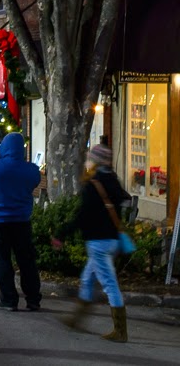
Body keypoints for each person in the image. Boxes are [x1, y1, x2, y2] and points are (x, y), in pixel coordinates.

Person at [54, 144, 131, 342]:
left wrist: (62, 234)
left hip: (98, 243)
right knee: (88, 278)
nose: (88, 162)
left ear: (95, 162)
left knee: (109, 284)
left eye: (90, 158)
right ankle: (77, 319)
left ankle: (120, 331)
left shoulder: (93, 184)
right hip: (112, 240)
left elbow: (82, 215)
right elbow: (124, 201)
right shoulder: (113, 181)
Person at [0, 132, 42, 312]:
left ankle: (9, 299)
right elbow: (35, 180)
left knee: (1, 259)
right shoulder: (31, 170)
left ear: (3, 147)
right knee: (26, 260)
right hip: (22, 221)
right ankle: (33, 299)